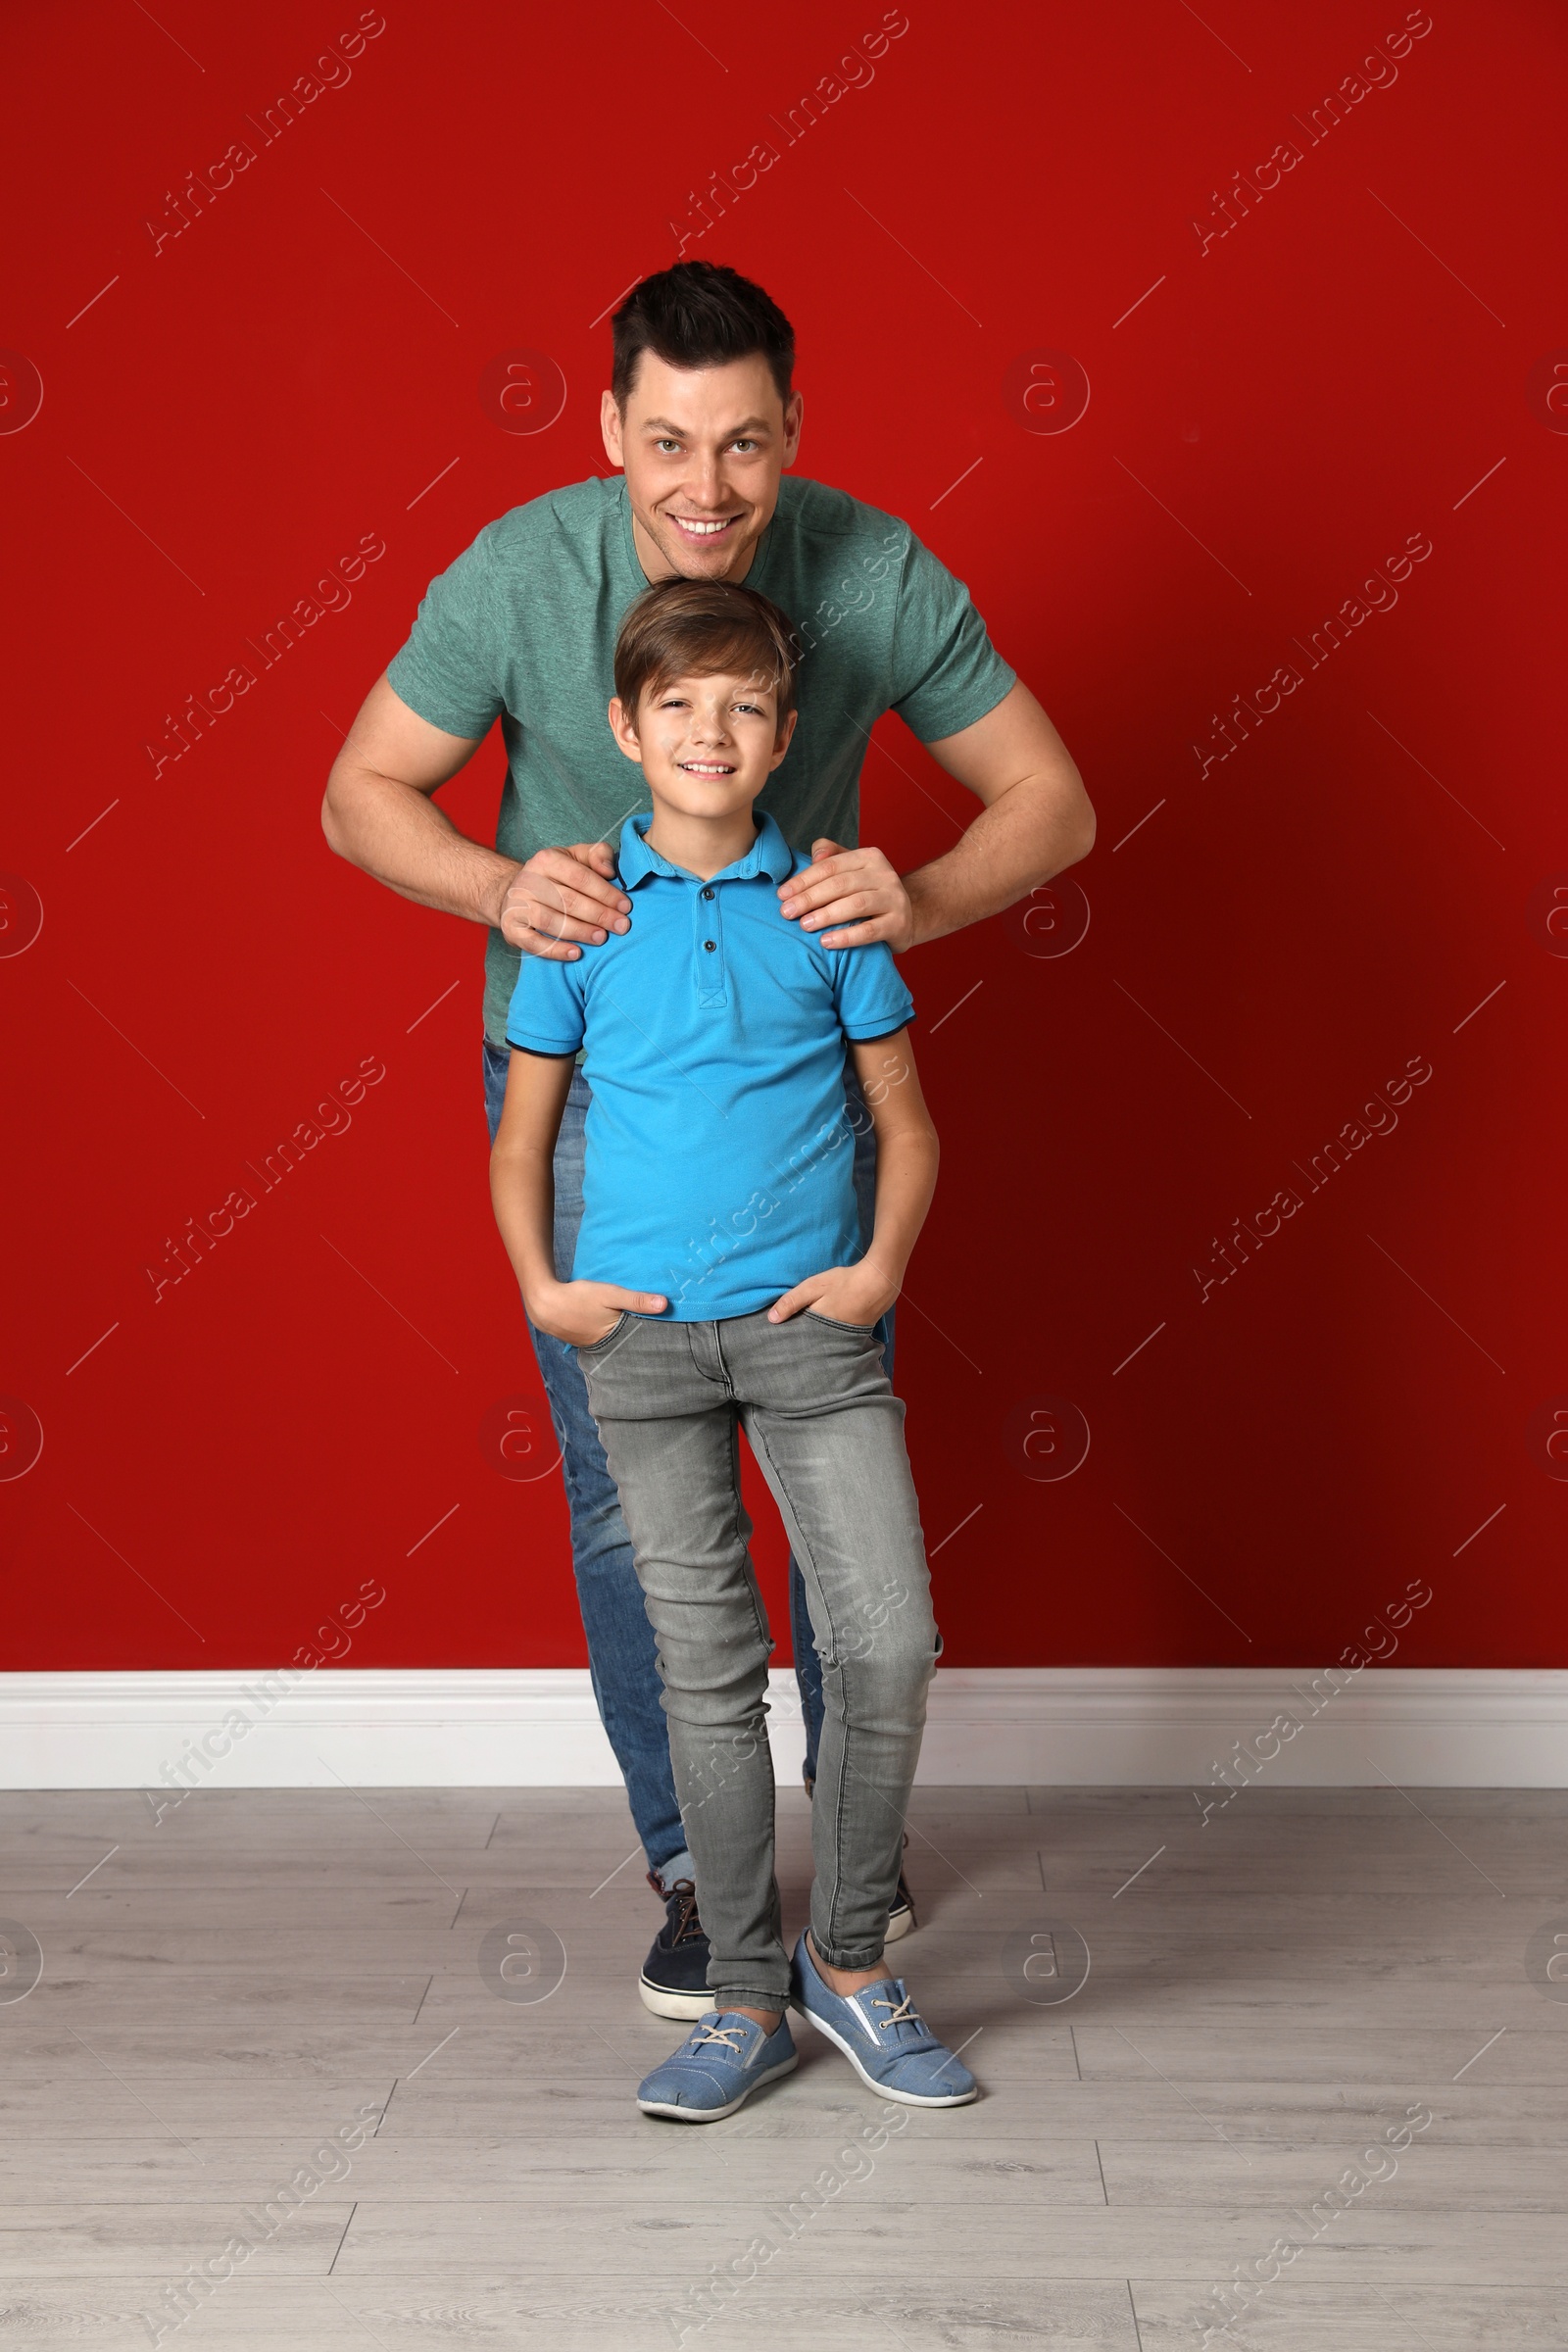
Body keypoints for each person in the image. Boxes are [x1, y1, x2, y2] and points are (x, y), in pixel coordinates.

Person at [321, 260, 1094, 2014]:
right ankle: (699, 1874)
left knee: (834, 1511)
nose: (706, 486)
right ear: (610, 429)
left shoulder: (874, 568)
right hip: (591, 1097)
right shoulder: (520, 573)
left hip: (803, 1100)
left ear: (793, 434)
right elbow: (358, 790)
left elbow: (1053, 798)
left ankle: (842, 1893)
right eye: (667, 440)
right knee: (628, 1512)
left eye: (745, 444)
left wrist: (920, 894)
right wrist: (498, 884)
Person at [491, 575, 977, 2118]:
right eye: (680, 705)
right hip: (636, 1346)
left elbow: (907, 1122)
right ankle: (746, 2001)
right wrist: (541, 1291)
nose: (713, 730)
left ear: (782, 739)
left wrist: (876, 1267)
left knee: (884, 1640)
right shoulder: (584, 919)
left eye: (747, 706)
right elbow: (524, 1142)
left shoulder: (827, 910)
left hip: (807, 1338)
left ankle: (849, 1965)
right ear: (625, 729)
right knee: (708, 1676)